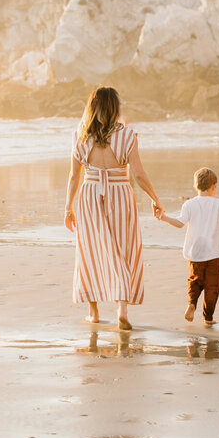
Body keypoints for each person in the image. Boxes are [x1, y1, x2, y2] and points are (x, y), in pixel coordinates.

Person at [64, 87, 164, 330]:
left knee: (90, 251)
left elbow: (74, 177)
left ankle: (94, 312)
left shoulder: (80, 135)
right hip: (120, 193)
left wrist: (68, 208)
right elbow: (138, 174)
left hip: (89, 195)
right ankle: (122, 309)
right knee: (124, 248)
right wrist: (155, 198)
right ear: (115, 108)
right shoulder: (127, 135)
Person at [156, 167, 219, 325]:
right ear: (214, 186)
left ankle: (192, 303)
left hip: (194, 253)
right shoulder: (218, 203)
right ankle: (208, 318)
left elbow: (180, 223)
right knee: (212, 285)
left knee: (195, 280)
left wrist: (164, 217)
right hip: (212, 253)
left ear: (195, 186)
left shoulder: (189, 204)